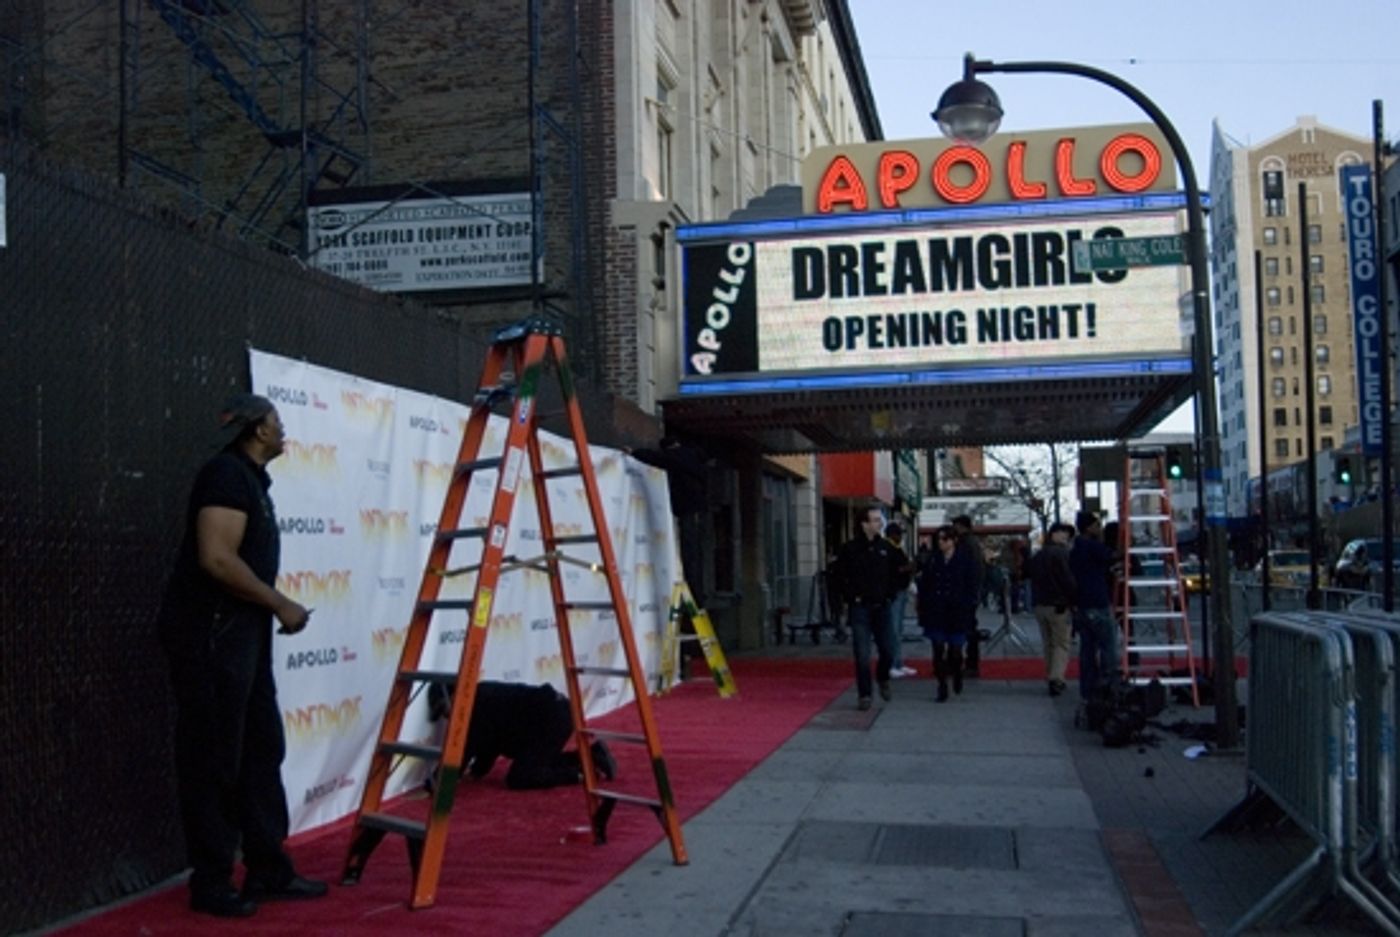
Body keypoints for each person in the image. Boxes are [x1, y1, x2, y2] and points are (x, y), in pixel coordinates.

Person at [156, 394, 328, 918]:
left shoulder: (250, 481)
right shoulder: (227, 475)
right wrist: (279, 603)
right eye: (276, 423)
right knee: (213, 758)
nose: (283, 431)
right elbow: (215, 557)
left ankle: (268, 867)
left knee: (259, 749)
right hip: (212, 637)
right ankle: (211, 883)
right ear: (256, 431)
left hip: (240, 636)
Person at [426, 681, 616, 790]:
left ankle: (580, 775)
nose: (446, 717)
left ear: (454, 695)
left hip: (551, 717)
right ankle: (592, 756)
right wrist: (477, 771)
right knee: (534, 760)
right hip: (552, 713)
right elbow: (487, 743)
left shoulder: (474, 706)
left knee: (521, 777)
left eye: (444, 710)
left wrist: (438, 782)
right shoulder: (480, 696)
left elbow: (466, 748)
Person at [831, 505, 899, 710]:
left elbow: (897, 573)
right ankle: (865, 694)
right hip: (860, 606)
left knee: (888, 649)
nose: (879, 523)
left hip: (882, 606)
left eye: (880, 520)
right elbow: (838, 578)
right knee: (862, 653)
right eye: (875, 520)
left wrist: (890, 593)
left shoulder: (887, 549)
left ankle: (883, 676)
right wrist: (846, 598)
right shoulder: (850, 549)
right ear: (864, 524)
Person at [917, 525, 979, 702]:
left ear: (954, 541)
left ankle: (957, 671)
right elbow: (925, 584)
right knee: (937, 648)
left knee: (955, 650)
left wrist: (970, 604)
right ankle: (942, 684)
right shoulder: (933, 560)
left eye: (945, 539)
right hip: (937, 609)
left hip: (957, 610)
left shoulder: (965, 560)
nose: (941, 543)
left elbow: (972, 584)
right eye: (939, 539)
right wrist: (923, 605)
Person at [1069, 510, 1118, 701]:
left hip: (1082, 604)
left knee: (1087, 650)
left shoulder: (1075, 550)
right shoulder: (1094, 547)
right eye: (1097, 525)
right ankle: (1109, 688)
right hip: (1098, 602)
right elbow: (1114, 556)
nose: (1099, 529)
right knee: (1108, 648)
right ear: (1089, 528)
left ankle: (1088, 690)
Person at [1027, 523, 1077, 697]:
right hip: (1058, 604)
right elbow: (1068, 580)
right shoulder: (1062, 555)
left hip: (1040, 603)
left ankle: (1051, 674)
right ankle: (1056, 678)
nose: (1066, 537)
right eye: (1063, 534)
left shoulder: (1039, 555)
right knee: (1061, 643)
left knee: (1048, 643)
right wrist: (1073, 598)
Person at [951, 515, 986, 675]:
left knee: (965, 628)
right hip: (969, 592)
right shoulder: (972, 543)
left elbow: (965, 569)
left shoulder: (965, 544)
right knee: (968, 627)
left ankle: (969, 664)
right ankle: (969, 663)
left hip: (964, 593)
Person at [884, 522, 918, 678]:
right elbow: (890, 570)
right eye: (899, 534)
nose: (901, 537)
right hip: (894, 592)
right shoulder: (888, 549)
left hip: (900, 590)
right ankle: (892, 664)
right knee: (894, 629)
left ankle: (898, 662)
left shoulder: (895, 549)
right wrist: (906, 569)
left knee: (897, 629)